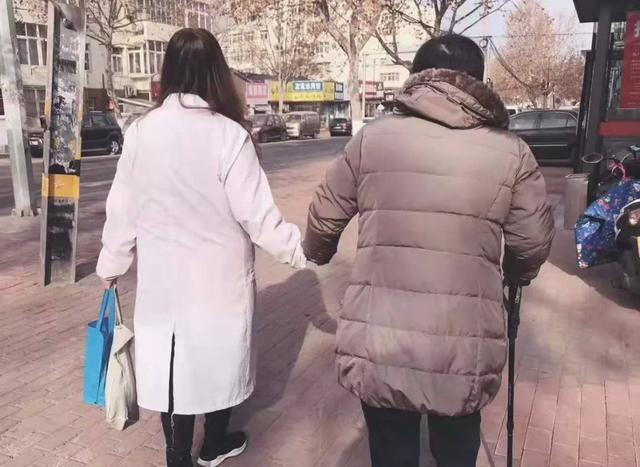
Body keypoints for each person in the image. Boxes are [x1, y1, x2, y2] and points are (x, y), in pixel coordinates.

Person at [304, 34, 554, 467]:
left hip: (381, 336)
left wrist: (319, 252)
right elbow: (531, 243)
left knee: (391, 450)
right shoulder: (511, 152)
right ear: (478, 81)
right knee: (456, 448)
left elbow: (322, 222)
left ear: (417, 77)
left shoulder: (372, 139)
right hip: (463, 340)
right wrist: (515, 273)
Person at [96, 28, 306, 467]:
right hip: (218, 281)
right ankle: (214, 443)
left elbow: (122, 209)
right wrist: (301, 251)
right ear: (217, 73)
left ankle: (177, 456)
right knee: (216, 363)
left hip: (163, 282)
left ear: (168, 70)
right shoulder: (229, 136)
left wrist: (111, 263)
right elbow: (258, 216)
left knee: (171, 368)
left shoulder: (141, 133)